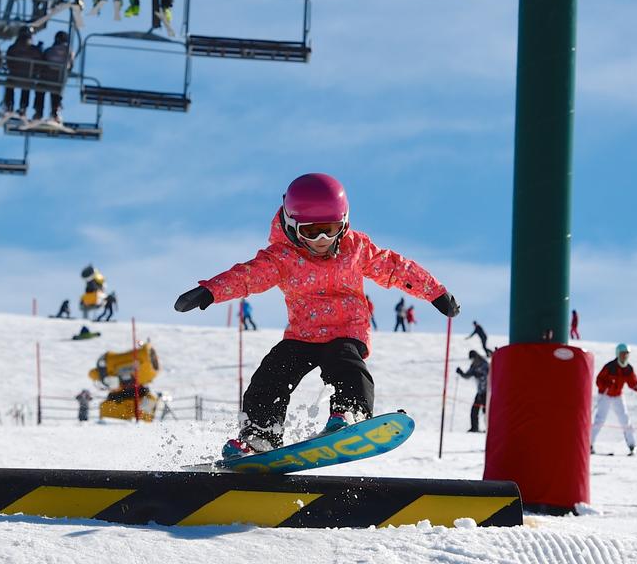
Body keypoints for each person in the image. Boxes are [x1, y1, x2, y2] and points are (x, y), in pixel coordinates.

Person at [173, 173, 460, 459]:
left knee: (345, 363)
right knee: (271, 373)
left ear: (344, 223)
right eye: (311, 232)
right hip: (303, 335)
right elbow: (248, 276)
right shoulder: (282, 257)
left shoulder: (356, 249)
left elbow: (395, 268)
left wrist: (434, 292)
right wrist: (210, 291)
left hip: (346, 330)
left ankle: (351, 411)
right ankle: (261, 434)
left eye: (331, 229)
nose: (322, 239)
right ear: (291, 226)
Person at [590, 343, 637, 455]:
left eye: (626, 354)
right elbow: (599, 380)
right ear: (618, 354)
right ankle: (589, 443)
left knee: (625, 419)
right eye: (622, 354)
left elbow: (632, 382)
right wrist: (606, 385)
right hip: (605, 395)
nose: (624, 356)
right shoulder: (610, 367)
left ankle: (632, 445)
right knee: (600, 419)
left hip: (618, 396)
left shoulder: (628, 369)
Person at [30, 31, 72, 126]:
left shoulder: (49, 50)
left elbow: (41, 62)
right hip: (58, 80)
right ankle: (55, 113)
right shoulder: (68, 51)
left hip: (45, 78)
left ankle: (38, 113)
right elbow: (70, 66)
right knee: (57, 90)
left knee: (40, 90)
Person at [2, 27, 42, 122]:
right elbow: (40, 61)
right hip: (28, 77)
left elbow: (8, 60)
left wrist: (12, 69)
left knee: (9, 83)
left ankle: (9, 105)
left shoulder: (13, 48)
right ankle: (23, 107)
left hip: (14, 75)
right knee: (27, 85)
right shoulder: (34, 49)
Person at [456, 350, 489, 433]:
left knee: (486, 411)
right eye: (471, 359)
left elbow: (490, 376)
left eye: (473, 359)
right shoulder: (473, 367)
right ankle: (474, 427)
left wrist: (481, 375)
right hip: (480, 392)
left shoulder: (485, 365)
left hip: (487, 392)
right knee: (474, 410)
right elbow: (467, 375)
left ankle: (489, 429)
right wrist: (461, 373)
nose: (473, 361)